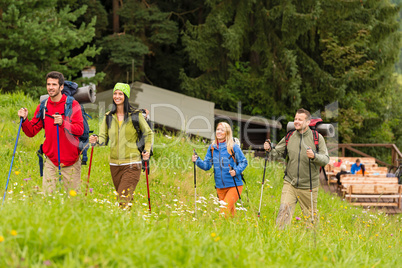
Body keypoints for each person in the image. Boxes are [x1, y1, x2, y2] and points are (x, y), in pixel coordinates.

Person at [17, 71, 84, 193]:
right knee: (49, 200)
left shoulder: (72, 105)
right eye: (48, 84)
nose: (50, 87)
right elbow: (31, 131)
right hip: (51, 162)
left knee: (73, 203)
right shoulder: (43, 106)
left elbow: (80, 130)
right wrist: (25, 120)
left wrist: (64, 123)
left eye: (54, 84)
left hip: (71, 162)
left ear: (61, 87)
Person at [89, 83, 153, 208]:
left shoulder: (135, 115)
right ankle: (132, 224)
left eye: (120, 94)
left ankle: (121, 223)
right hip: (114, 165)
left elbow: (148, 133)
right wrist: (96, 140)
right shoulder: (108, 116)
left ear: (126, 96)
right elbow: (103, 138)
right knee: (124, 199)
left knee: (122, 200)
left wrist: (147, 150)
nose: (117, 96)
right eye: (115, 93)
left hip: (132, 164)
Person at [264, 108, 329, 228]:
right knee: (283, 213)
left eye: (300, 119)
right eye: (295, 119)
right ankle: (279, 241)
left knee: (311, 220)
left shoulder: (317, 138)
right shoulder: (289, 136)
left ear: (308, 122)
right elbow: (276, 153)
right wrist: (269, 149)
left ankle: (311, 244)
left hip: (309, 186)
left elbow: (325, 159)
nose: (296, 121)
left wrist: (314, 156)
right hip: (290, 183)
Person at [192, 122, 248, 217]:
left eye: (222, 130)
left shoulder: (233, 146)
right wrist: (197, 160)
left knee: (223, 212)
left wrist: (236, 171)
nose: (219, 132)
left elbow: (244, 162)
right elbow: (206, 166)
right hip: (220, 187)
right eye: (218, 129)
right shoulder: (212, 148)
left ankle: (217, 229)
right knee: (230, 214)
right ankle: (237, 229)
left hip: (234, 185)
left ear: (227, 132)